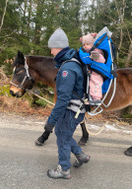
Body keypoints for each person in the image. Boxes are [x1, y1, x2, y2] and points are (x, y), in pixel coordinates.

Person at [42, 28, 90, 179]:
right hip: (75, 109)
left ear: (59, 47)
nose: (51, 53)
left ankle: (64, 170)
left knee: (62, 137)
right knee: (62, 133)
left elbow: (63, 99)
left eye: (52, 49)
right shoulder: (71, 61)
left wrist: (51, 121)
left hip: (71, 110)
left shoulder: (68, 68)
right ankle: (80, 154)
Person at [80, 33, 106, 105]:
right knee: (88, 84)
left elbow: (102, 60)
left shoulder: (96, 51)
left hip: (97, 72)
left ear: (92, 44)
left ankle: (97, 99)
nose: (85, 46)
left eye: (87, 44)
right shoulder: (86, 53)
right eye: (84, 45)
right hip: (90, 71)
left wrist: (96, 56)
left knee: (95, 83)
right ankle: (89, 97)